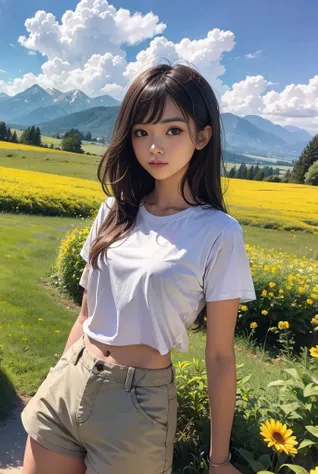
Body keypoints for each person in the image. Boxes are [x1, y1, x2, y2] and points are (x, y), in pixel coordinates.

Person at [20, 62, 257, 474]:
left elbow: (219, 355)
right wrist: (59, 372)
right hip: (70, 379)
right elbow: (86, 313)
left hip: (137, 403)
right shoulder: (114, 211)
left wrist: (219, 460)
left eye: (173, 130)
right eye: (141, 132)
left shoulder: (219, 232)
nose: (154, 147)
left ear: (203, 136)